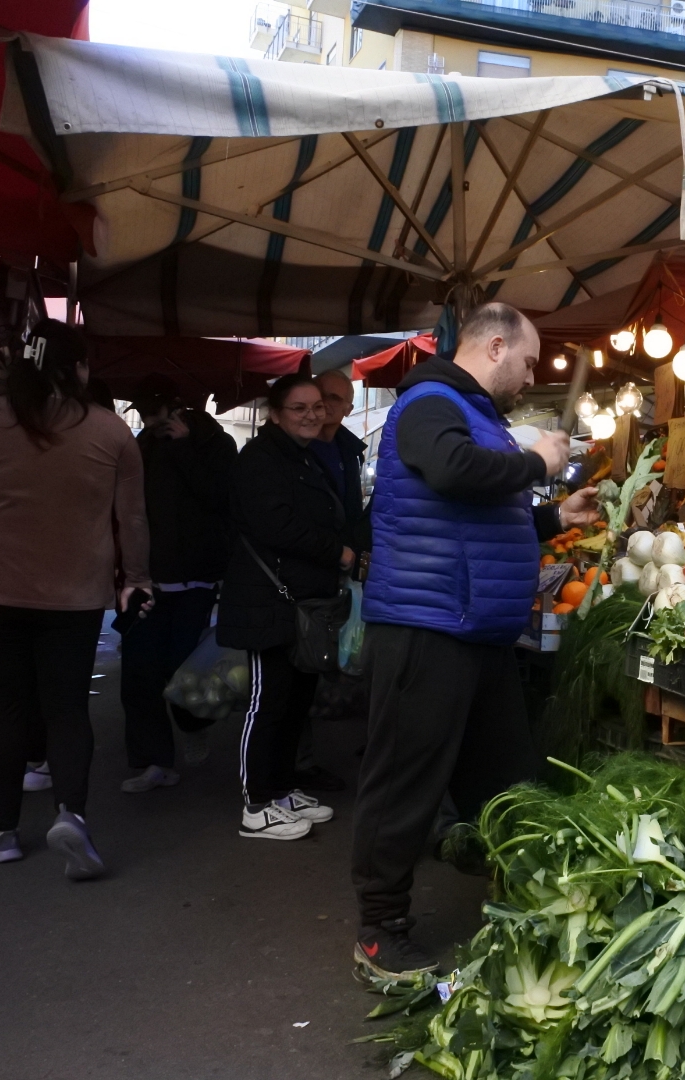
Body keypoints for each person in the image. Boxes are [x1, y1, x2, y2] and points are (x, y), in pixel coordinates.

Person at [350, 302, 597, 978]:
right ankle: (380, 931)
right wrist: (537, 463)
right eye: (525, 362)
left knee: (506, 778)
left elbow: (478, 514)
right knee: (406, 783)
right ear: (492, 347)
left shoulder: (478, 415)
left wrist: (550, 516)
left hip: (478, 632)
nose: (529, 376)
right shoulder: (429, 402)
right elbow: (454, 472)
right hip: (428, 630)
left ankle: (525, 899)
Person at [0, 319, 152, 879]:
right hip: (75, 596)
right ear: (78, 369)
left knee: (7, 708)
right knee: (67, 709)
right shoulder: (111, 431)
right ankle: (71, 817)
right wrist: (137, 579)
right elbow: (132, 518)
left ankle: (3, 834)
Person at [216, 374, 354, 841]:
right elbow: (277, 525)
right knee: (267, 703)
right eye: (300, 408)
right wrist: (338, 552)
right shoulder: (260, 459)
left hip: (299, 602)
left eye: (317, 406)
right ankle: (256, 806)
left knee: (295, 702)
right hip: (267, 601)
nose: (312, 415)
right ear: (276, 413)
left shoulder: (302, 456)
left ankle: (281, 790)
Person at [120, 375, 238, 791]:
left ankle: (193, 725)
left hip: (196, 579)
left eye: (155, 412)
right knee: (139, 673)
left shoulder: (216, 445)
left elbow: (221, 500)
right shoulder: (141, 446)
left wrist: (185, 447)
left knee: (184, 671)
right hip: (147, 578)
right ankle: (152, 761)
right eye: (142, 413)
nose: (149, 421)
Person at [293, 368, 371, 791]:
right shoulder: (297, 450)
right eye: (321, 397)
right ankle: (297, 765)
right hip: (305, 576)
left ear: (349, 408)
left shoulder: (347, 450)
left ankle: (304, 761)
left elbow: (351, 513)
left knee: (329, 663)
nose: (326, 407)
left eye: (336, 400)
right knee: (301, 664)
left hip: (339, 572)